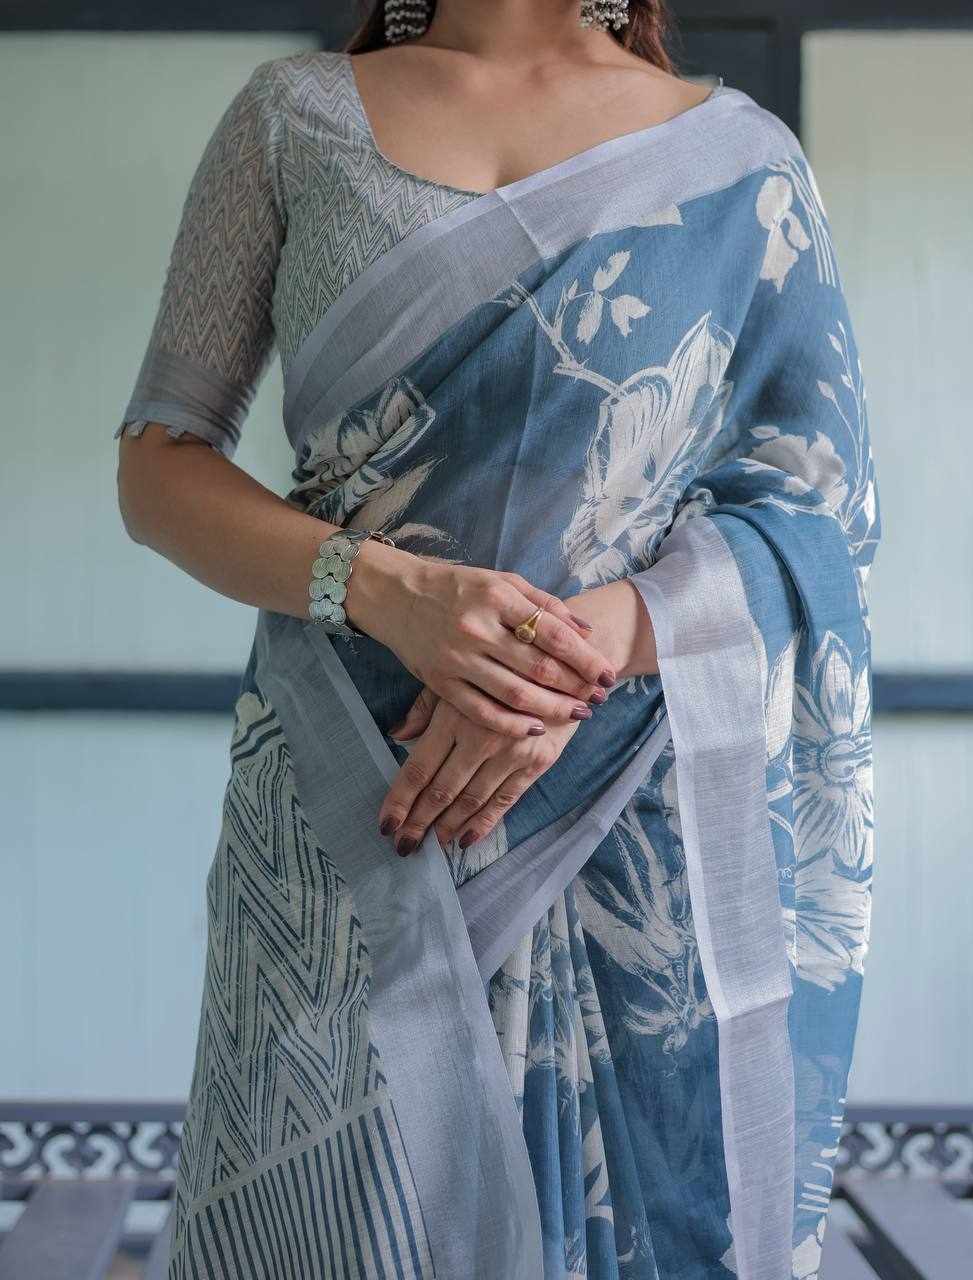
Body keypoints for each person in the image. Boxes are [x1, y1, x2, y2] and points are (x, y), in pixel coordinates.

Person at [114, 2, 881, 1276]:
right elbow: (158, 469)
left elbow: (820, 509)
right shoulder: (292, 123)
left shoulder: (741, 162)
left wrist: (571, 656)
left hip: (629, 815)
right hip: (348, 801)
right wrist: (388, 590)